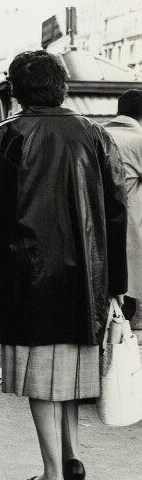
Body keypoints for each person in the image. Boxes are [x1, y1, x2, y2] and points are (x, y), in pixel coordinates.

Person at [0, 50, 127, 480]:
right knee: (73, 371)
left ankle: (52, 474)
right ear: (63, 87)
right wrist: (116, 282)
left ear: (16, 90)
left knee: (41, 377)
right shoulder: (96, 136)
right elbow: (115, 213)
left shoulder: (4, 137)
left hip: (25, 277)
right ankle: (72, 457)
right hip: (87, 278)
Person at [105, 89, 142, 325]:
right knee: (125, 298)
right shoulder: (138, 140)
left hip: (95, 225)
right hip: (129, 227)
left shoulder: (97, 133)